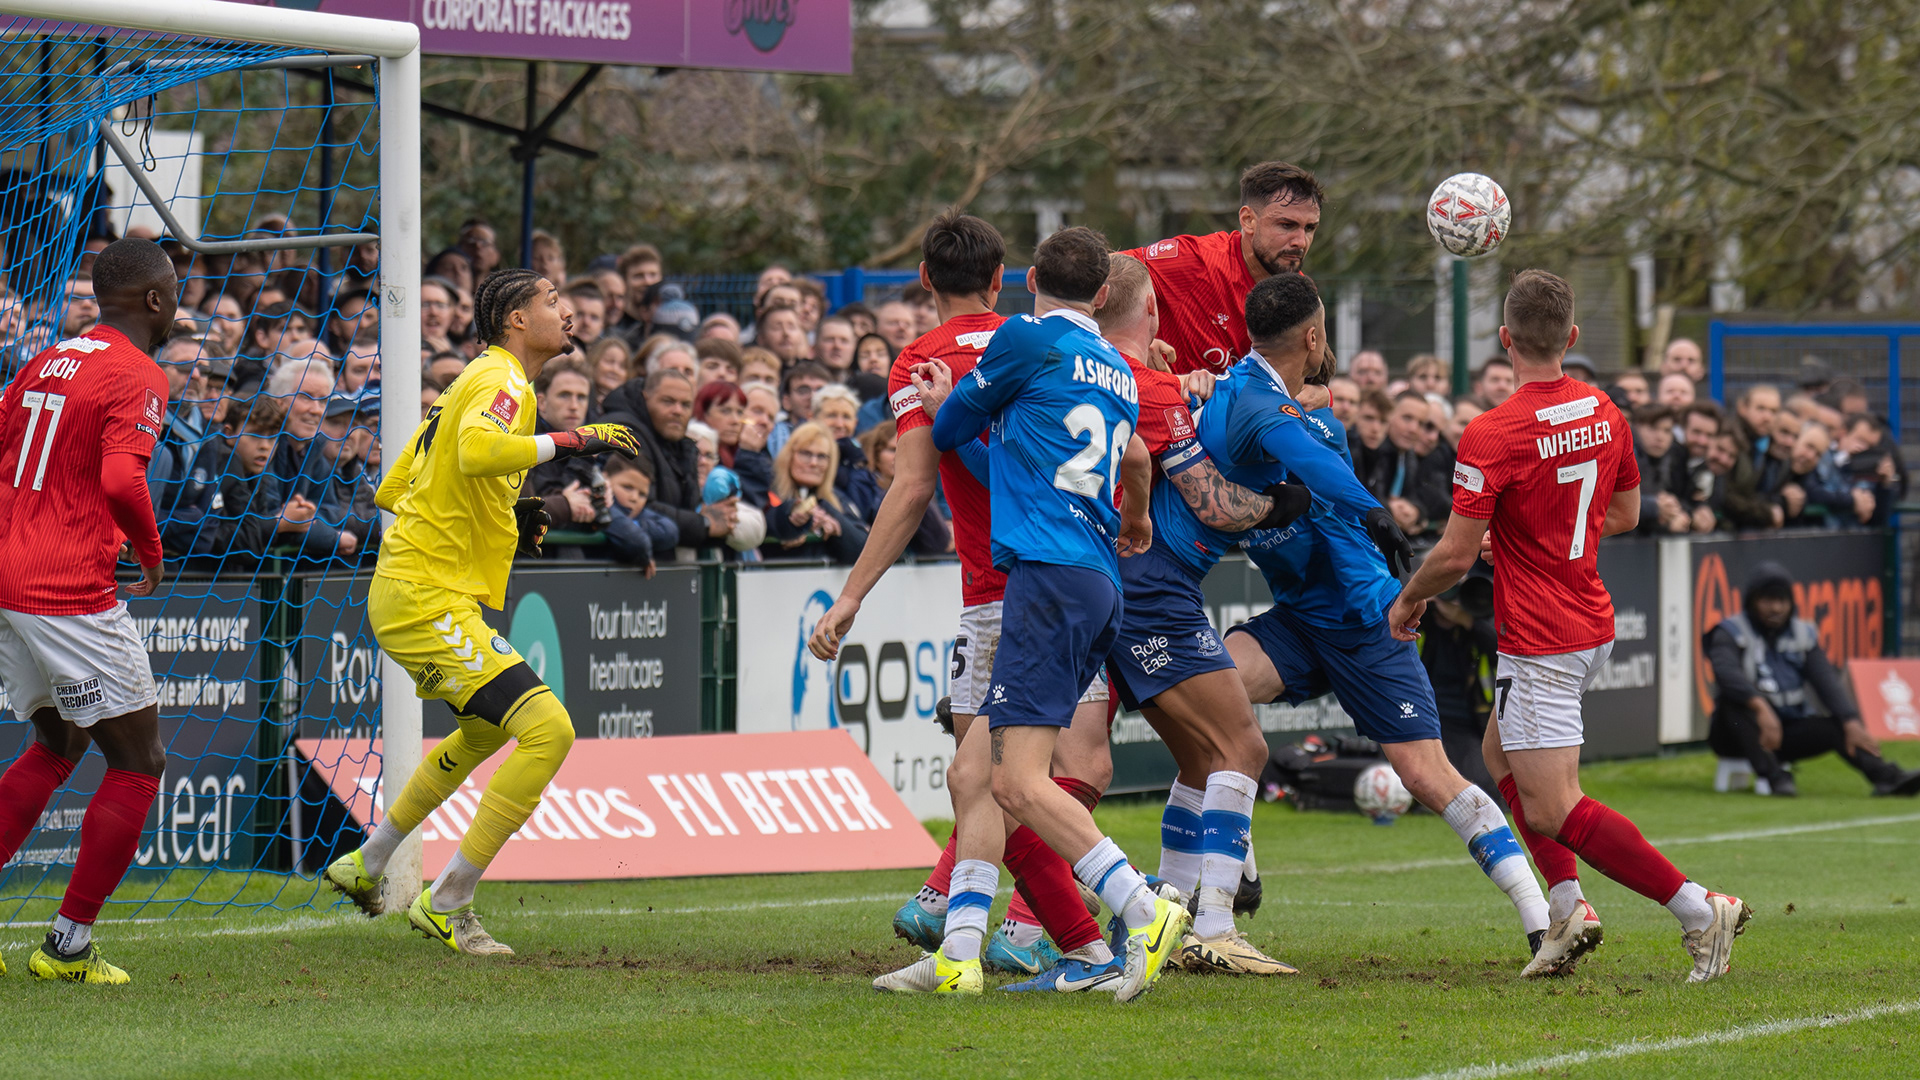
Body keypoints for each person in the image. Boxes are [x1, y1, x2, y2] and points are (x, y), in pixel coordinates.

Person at [1386, 268, 1751, 984]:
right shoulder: (1606, 409)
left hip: (1543, 634)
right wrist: (1528, 536)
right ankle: (1567, 908)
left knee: (1555, 807)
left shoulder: (1492, 432)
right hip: (1587, 617)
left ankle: (1700, 909)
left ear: (1503, 341)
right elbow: (1623, 514)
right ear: (1572, 338)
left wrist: (1407, 600)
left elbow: (1455, 554)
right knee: (1498, 757)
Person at [1192, 274, 1545, 967]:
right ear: (1315, 337)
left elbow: (1313, 454)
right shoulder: (1254, 398)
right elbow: (1289, 426)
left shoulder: (1295, 418)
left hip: (1365, 620)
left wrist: (1381, 556)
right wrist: (1375, 512)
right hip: (1300, 618)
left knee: (1427, 776)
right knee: (1209, 700)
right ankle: (1221, 899)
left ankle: (1543, 915)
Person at [812, 215, 1125, 992]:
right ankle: (1035, 941)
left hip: (1006, 589)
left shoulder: (922, 359)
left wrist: (851, 594)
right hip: (1087, 573)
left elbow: (917, 482)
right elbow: (1140, 453)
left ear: (923, 276)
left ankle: (1102, 921)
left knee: (988, 780)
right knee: (1067, 765)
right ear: (1002, 278)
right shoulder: (1066, 345)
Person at [885, 225, 1185, 1002]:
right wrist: (1139, 519)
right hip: (1094, 582)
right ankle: (958, 957)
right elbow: (1129, 460)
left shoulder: (1024, 338)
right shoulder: (1118, 368)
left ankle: (1141, 911)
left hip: (1045, 582)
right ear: (1099, 296)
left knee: (1017, 785)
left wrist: (947, 402)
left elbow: (953, 434)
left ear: (1026, 281)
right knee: (973, 773)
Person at [322, 269, 644, 954]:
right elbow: (475, 452)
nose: (566, 310)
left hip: (419, 590)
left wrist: (503, 510)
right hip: (425, 596)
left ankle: (367, 862)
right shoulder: (503, 381)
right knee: (548, 731)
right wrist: (576, 439)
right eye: (552, 301)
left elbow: (396, 487)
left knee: (482, 733)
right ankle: (450, 901)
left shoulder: (471, 381)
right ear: (517, 321)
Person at [1084, 254, 1322, 975]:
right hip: (1154, 588)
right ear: (1150, 312)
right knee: (1243, 749)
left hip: (1109, 581)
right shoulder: (1155, 386)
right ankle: (1214, 924)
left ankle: (1169, 918)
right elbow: (1209, 499)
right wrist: (1282, 503)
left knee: (1196, 758)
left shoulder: (1089, 372)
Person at [0, 238, 173, 984]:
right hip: (65, 583)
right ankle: (67, 945)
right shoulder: (138, 373)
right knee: (139, 762)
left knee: (59, 740)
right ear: (156, 301)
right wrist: (151, 552)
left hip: (8, 573)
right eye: (174, 292)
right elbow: (120, 480)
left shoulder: (44, 359)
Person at [1705, 564, 1920, 797]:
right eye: (1767, 601)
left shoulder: (1802, 633)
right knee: (1732, 705)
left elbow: (1825, 680)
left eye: (1782, 601)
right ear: (1752, 601)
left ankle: (1887, 778)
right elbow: (1727, 675)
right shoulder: (1729, 632)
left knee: (1838, 727)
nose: (1776, 608)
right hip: (1736, 733)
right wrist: (1759, 706)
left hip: (1784, 729)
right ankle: (1775, 778)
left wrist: (1850, 719)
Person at [1119, 161, 1321, 374]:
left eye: (1309, 228)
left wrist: (1320, 393)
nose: (1300, 241)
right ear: (1248, 220)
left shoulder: (1301, 294)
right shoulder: (1196, 260)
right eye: (1286, 225)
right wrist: (1137, 340)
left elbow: (1312, 373)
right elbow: (1100, 273)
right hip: (1160, 403)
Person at [597, 368, 740, 557]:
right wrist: (703, 524)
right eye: (668, 401)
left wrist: (718, 519)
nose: (678, 411)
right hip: (619, 566)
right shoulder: (621, 432)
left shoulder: (681, 444)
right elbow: (637, 504)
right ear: (645, 397)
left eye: (685, 404)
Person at [762, 421, 869, 563]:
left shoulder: (836, 498)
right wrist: (796, 521)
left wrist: (828, 514)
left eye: (822, 456)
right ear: (790, 455)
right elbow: (764, 524)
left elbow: (865, 551)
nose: (814, 463)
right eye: (806, 453)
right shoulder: (768, 490)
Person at [857, 419, 949, 556]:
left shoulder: (921, 486)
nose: (899, 457)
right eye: (892, 450)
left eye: (905, 450)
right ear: (875, 454)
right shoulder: (862, 486)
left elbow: (939, 542)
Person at [1631, 405, 1691, 534]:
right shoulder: (1624, 456)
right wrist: (1655, 507)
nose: (1660, 437)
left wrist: (1676, 512)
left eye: (1667, 430)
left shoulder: (1673, 457)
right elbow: (1612, 503)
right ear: (1636, 427)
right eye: (1653, 428)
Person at [814, 314, 857, 380]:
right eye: (830, 340)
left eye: (844, 341)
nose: (837, 346)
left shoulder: (863, 387)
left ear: (854, 347)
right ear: (816, 345)